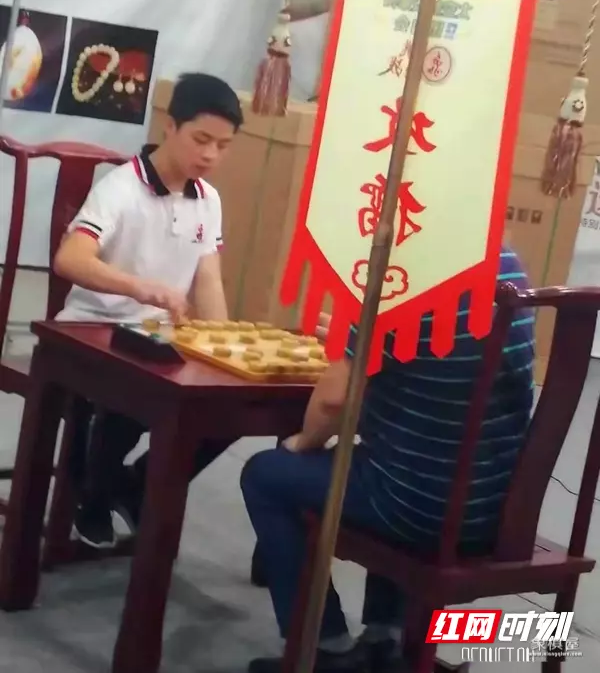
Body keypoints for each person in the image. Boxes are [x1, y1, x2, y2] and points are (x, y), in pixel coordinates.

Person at [240, 246, 535, 673]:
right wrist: (358, 337)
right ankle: (384, 638)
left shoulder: (401, 277)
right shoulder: (509, 265)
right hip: (500, 513)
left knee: (266, 475)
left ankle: (325, 648)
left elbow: (334, 402)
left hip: (420, 511)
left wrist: (301, 441)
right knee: (397, 453)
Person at [53, 72, 243, 549]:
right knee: (135, 385)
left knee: (232, 408)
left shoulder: (209, 200)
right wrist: (142, 289)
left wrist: (225, 351)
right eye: (201, 139)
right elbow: (70, 259)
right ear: (170, 126)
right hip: (93, 330)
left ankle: (132, 484)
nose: (211, 155)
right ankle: (97, 492)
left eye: (223, 146)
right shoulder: (121, 188)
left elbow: (209, 278)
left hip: (156, 338)